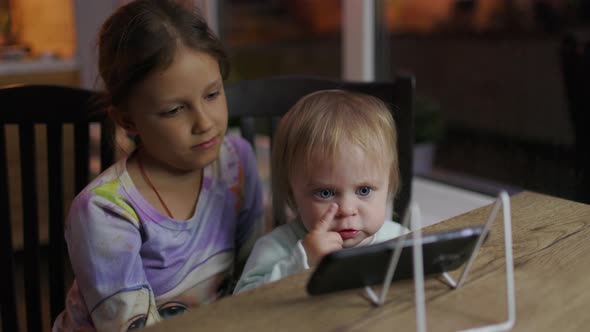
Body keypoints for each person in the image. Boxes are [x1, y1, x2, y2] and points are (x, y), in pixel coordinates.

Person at [53, 1, 264, 330]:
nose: (205, 123)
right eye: (174, 110)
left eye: (212, 95)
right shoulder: (105, 211)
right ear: (127, 119)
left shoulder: (236, 161)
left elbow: (256, 272)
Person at [234, 90, 407, 294]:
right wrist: (302, 261)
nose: (347, 210)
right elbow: (242, 303)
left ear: (389, 185)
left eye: (364, 190)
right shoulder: (277, 248)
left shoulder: (400, 240)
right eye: (325, 193)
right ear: (292, 193)